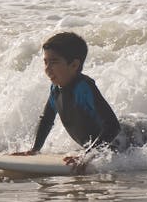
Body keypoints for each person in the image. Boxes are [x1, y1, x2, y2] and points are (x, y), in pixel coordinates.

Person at [13, 32, 121, 173]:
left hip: (124, 141)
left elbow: (113, 126)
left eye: (54, 62)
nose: (47, 68)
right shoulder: (55, 88)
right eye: (45, 62)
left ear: (74, 65)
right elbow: (46, 120)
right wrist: (34, 149)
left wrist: (87, 155)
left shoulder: (84, 88)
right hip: (98, 147)